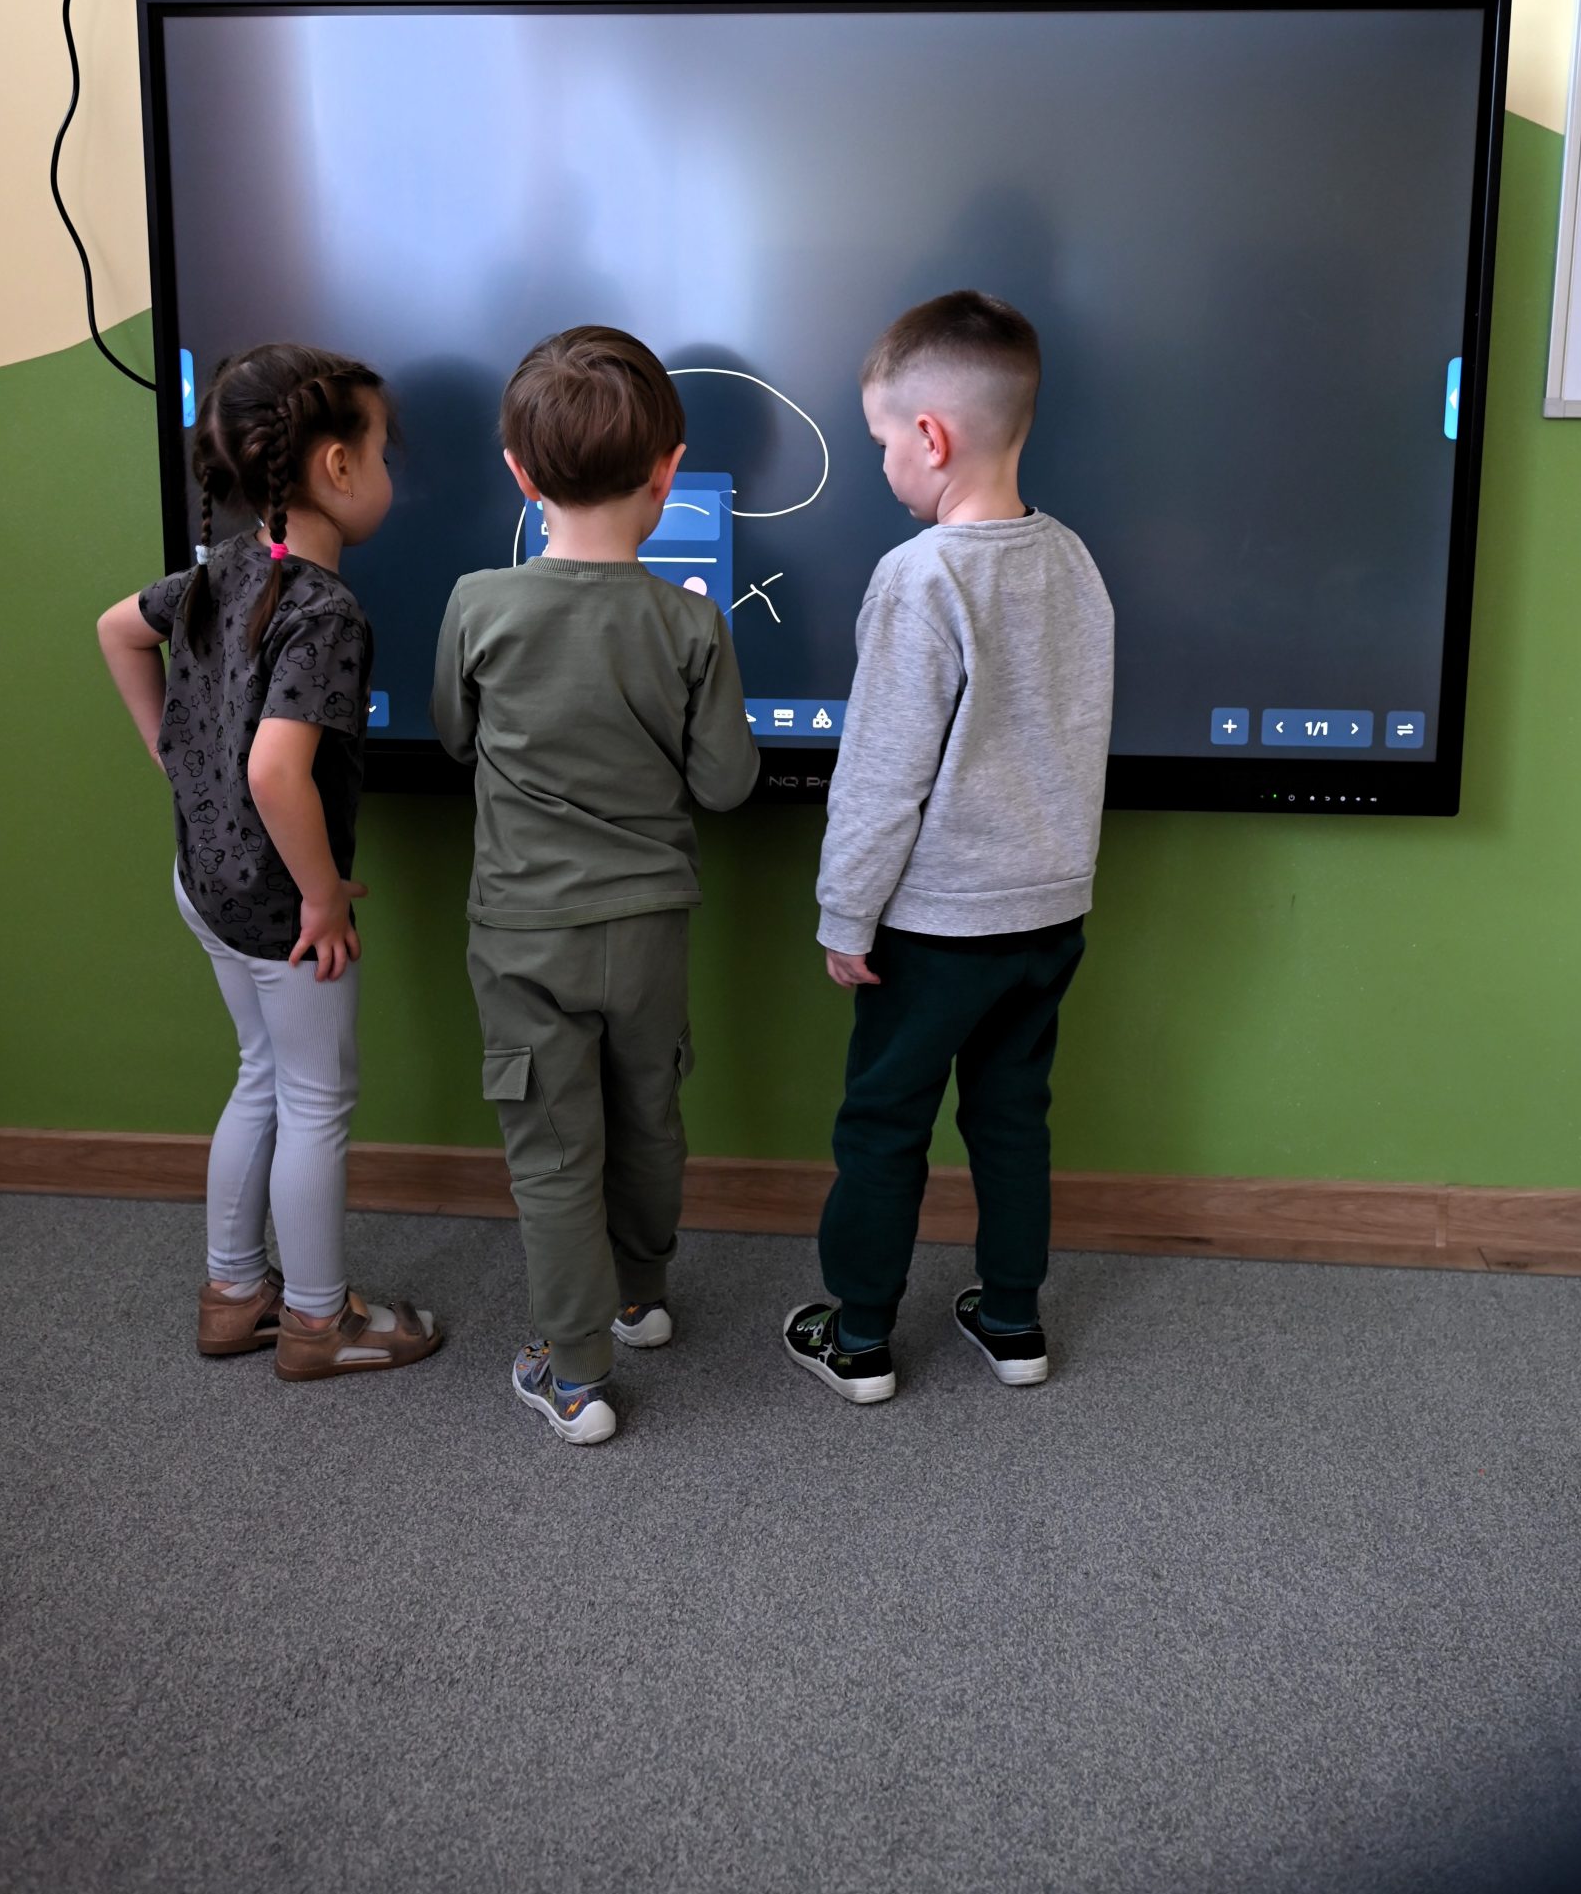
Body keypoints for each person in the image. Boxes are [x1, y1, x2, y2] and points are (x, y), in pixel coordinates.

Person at [783, 289, 1114, 1404]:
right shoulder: (1072, 560)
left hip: (934, 928)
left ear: (929, 437)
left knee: (884, 1123)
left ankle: (860, 1337)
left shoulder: (919, 575)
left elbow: (881, 774)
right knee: (1012, 1120)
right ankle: (1013, 1323)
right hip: (1048, 913)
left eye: (880, 441)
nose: (880, 464)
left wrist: (845, 914)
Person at [431, 325, 759, 1445]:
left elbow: (452, 735)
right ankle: (639, 1295)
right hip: (650, 927)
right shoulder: (691, 622)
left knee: (555, 1148)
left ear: (519, 475)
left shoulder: (478, 602)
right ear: (670, 473)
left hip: (523, 931)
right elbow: (725, 785)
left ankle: (574, 1376)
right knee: (649, 1111)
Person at [96, 341, 441, 1381]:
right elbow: (277, 771)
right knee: (317, 1102)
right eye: (381, 452)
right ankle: (317, 1323)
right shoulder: (324, 610)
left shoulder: (225, 568)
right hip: (281, 910)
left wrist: (176, 760)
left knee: (262, 1077)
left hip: (205, 883)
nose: (387, 471)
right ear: (335, 466)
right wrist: (324, 898)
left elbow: (117, 630)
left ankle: (234, 1293)